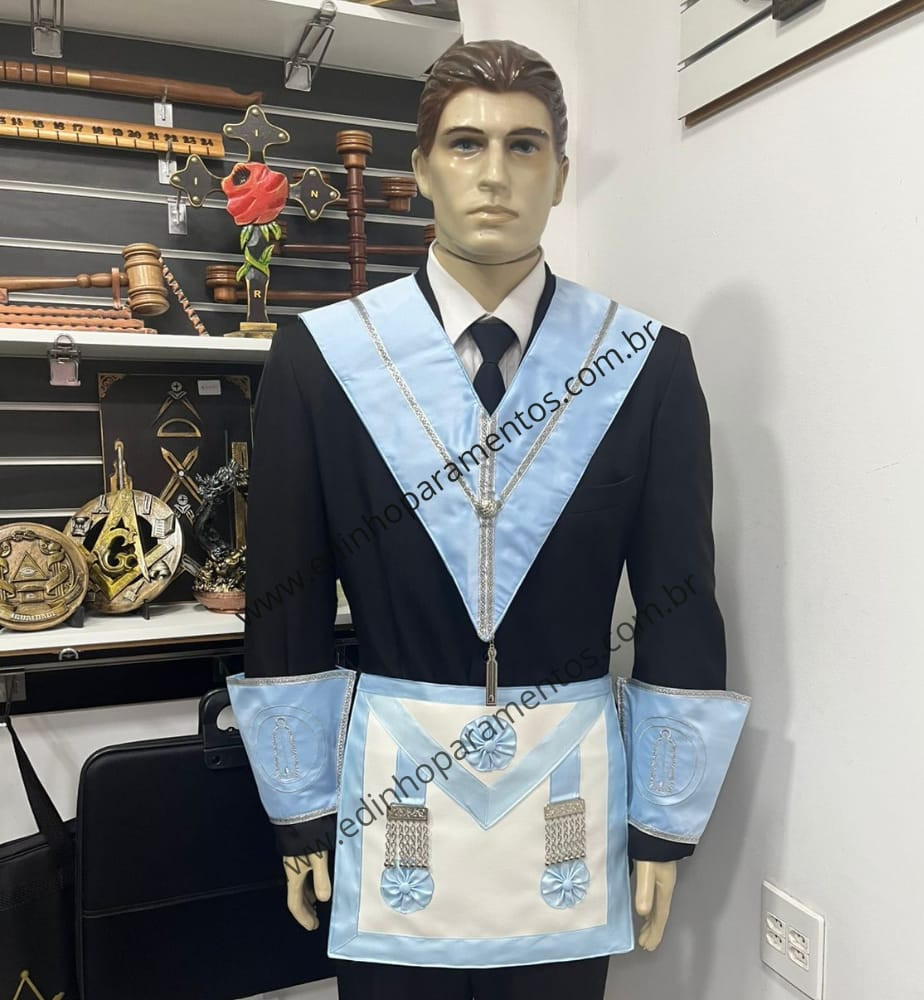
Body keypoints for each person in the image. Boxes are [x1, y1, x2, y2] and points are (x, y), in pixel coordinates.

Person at [227, 38, 748, 1000]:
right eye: (466, 144)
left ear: (560, 175)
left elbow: (678, 601)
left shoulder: (644, 366)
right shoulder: (322, 361)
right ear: (422, 168)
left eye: (525, 145)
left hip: (569, 802)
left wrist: (663, 824)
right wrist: (301, 812)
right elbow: (285, 600)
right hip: (390, 800)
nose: (495, 174)